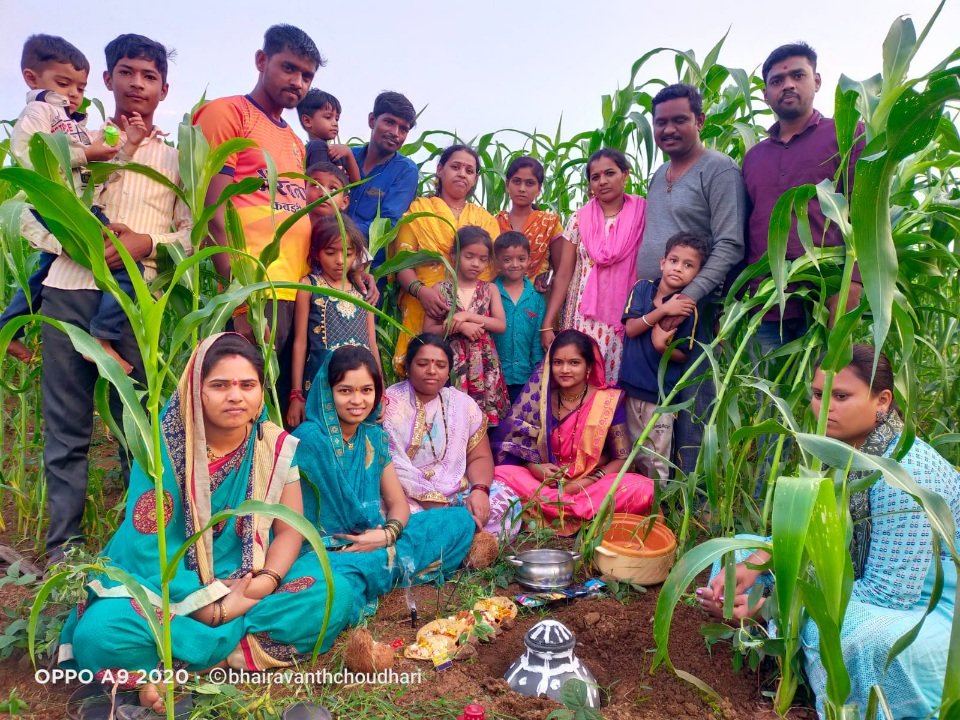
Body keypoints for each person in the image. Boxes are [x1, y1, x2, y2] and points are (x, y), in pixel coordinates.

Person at [59, 334, 355, 718]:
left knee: (332, 594)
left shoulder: (272, 445)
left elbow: (290, 529)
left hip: (249, 580)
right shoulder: (162, 450)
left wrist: (264, 581)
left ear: (260, 393)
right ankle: (222, 651)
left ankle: (185, 663)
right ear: (195, 392)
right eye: (220, 385)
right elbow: (149, 548)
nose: (235, 396)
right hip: (166, 589)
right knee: (100, 634)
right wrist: (210, 607)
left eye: (247, 385)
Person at [698, 345, 959, 718]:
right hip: (857, 574)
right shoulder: (842, 448)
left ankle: (775, 633)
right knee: (736, 552)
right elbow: (818, 533)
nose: (825, 407)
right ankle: (762, 622)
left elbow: (892, 594)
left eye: (841, 396)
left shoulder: (904, 471)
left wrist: (773, 604)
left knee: (858, 639)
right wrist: (756, 563)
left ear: (882, 400)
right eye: (819, 395)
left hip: (925, 600)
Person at [26, 33, 192, 564]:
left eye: (148, 76)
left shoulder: (177, 158)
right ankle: (65, 552)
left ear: (163, 89)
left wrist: (146, 243)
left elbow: (192, 234)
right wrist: (83, 242)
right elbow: (30, 210)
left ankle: (141, 546)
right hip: (69, 292)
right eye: (127, 72)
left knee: (138, 425)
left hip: (136, 305)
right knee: (67, 425)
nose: (137, 84)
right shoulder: (72, 143)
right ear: (107, 80)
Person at [292, 345, 476, 618]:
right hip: (328, 549)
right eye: (345, 391)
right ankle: (359, 578)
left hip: (377, 538)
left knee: (459, 521)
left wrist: (384, 535)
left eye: (366, 390)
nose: (358, 400)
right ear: (326, 392)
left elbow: (397, 504)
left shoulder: (374, 437)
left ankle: (369, 573)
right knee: (335, 580)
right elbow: (298, 529)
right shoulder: (308, 440)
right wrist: (363, 544)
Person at [2, 34, 139, 369]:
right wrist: (86, 153)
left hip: (72, 206)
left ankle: (6, 325)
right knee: (123, 262)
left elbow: (97, 174)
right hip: (53, 206)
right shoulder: (40, 110)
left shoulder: (75, 125)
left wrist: (127, 146)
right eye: (65, 84)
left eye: (80, 87)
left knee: (43, 271)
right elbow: (26, 157)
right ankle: (101, 337)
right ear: (31, 77)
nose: (75, 94)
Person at [635, 83, 746, 475]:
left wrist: (686, 303)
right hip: (656, 306)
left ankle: (694, 500)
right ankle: (656, 491)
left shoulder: (718, 169)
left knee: (696, 402)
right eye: (660, 122)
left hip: (695, 311)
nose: (668, 129)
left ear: (699, 120)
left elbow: (730, 243)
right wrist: (655, 304)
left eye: (679, 120)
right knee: (657, 400)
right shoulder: (658, 175)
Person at [193, 24, 321, 363]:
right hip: (254, 288)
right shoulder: (228, 114)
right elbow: (212, 213)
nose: (298, 82)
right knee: (244, 403)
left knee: (280, 405)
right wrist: (240, 299)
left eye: (307, 75)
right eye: (289, 68)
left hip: (297, 293)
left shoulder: (295, 141)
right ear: (262, 60)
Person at [742, 43, 864, 354]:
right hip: (768, 303)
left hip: (827, 299)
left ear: (817, 81)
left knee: (828, 399)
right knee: (767, 400)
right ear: (766, 95)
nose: (788, 85)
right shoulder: (754, 157)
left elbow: (867, 213)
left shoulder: (846, 133)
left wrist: (855, 284)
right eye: (777, 81)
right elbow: (749, 227)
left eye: (798, 75)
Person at [492, 329, 655, 535]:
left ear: (589, 366)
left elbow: (623, 459)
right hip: (545, 484)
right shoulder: (539, 400)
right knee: (500, 474)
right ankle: (580, 514)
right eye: (558, 362)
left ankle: (553, 511)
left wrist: (582, 484)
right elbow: (516, 447)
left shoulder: (607, 401)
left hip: (589, 485)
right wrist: (535, 468)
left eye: (574, 363)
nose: (565, 369)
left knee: (643, 487)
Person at [383, 334, 521, 540]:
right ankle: (465, 538)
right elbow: (393, 466)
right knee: (399, 518)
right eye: (422, 364)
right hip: (408, 497)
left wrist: (480, 491)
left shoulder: (461, 405)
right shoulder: (390, 404)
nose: (432, 371)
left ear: (448, 372)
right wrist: (445, 511)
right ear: (408, 367)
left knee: (507, 502)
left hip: (455, 492)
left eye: (440, 365)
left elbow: (479, 457)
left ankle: (461, 539)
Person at [392, 144, 500, 371]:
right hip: (425, 308)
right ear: (440, 170)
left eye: (469, 171)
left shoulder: (486, 220)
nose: (462, 173)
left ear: (475, 179)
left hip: (471, 320)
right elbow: (401, 264)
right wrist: (423, 292)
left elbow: (490, 271)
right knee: (422, 376)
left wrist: (463, 313)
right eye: (456, 167)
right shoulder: (418, 211)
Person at [621, 233, 709, 480]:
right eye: (674, 260)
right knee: (631, 452)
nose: (678, 268)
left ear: (697, 274)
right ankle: (634, 503)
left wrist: (662, 348)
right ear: (662, 262)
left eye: (688, 265)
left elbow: (684, 355)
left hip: (661, 396)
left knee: (657, 457)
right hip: (630, 389)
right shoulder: (642, 288)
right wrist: (663, 311)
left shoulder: (686, 307)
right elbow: (631, 328)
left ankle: (657, 510)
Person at [558, 149, 645, 383]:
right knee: (582, 378)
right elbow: (564, 273)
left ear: (625, 174)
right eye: (595, 177)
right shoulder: (579, 219)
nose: (602, 181)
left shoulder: (643, 213)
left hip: (627, 314)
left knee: (618, 381)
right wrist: (549, 324)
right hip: (584, 314)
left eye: (610, 173)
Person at [287, 216, 379, 428]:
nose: (340, 260)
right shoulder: (309, 286)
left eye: (347, 253)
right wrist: (296, 394)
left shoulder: (362, 291)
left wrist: (380, 390)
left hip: (361, 387)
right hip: (321, 384)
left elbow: (372, 344)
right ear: (317, 254)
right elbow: (300, 343)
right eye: (330, 253)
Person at [424, 226, 509, 425]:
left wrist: (466, 316)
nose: (476, 264)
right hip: (452, 363)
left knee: (483, 420)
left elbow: (500, 324)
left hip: (484, 362)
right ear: (454, 255)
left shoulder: (490, 289)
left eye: (482, 259)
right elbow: (428, 330)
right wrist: (460, 327)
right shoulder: (440, 289)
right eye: (469, 256)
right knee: (453, 418)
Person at [346, 91, 419, 270]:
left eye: (403, 129)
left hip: (367, 269)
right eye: (389, 122)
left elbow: (386, 224)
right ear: (372, 120)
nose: (395, 133)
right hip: (323, 257)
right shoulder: (346, 156)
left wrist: (337, 233)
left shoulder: (405, 171)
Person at [492, 230, 546, 404]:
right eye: (507, 259)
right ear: (497, 262)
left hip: (526, 377)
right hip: (493, 377)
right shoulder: (489, 293)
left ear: (529, 260)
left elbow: (538, 341)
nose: (515, 264)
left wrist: (537, 376)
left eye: (521, 259)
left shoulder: (536, 299)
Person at [297, 89, 360, 183]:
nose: (335, 123)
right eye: (328, 117)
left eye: (337, 119)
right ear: (307, 121)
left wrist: (348, 153)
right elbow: (322, 183)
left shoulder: (338, 151)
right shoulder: (317, 147)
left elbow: (356, 181)